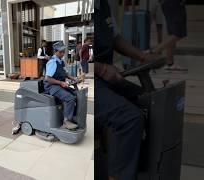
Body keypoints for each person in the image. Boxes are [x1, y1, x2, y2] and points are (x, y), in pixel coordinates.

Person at [95, 0, 161, 179]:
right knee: (129, 118)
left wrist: (142, 57)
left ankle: (139, 165)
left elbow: (115, 38)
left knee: (150, 101)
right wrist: (100, 68)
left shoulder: (104, 5)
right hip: (86, 80)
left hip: (104, 76)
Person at [44, 41, 79, 130]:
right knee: (70, 98)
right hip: (51, 86)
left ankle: (72, 116)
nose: (63, 53)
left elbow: (65, 73)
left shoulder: (61, 62)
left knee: (76, 94)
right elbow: (48, 79)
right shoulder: (52, 62)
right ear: (56, 51)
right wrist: (61, 83)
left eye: (63, 51)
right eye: (61, 52)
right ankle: (67, 121)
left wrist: (73, 78)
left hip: (59, 85)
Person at [152, 0, 188, 71]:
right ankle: (152, 52)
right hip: (174, 3)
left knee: (172, 33)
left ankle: (170, 63)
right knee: (178, 34)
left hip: (168, 4)